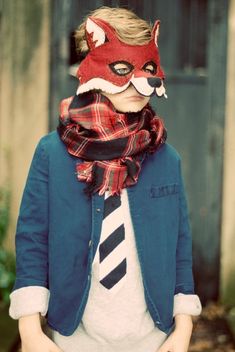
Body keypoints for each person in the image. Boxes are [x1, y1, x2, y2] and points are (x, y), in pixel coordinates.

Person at [9, 6, 202, 352]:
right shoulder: (52, 154)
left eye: (148, 69)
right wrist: (30, 330)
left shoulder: (166, 158)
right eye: (123, 68)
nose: (140, 82)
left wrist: (183, 326)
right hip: (74, 336)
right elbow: (33, 239)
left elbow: (179, 245)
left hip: (152, 337)